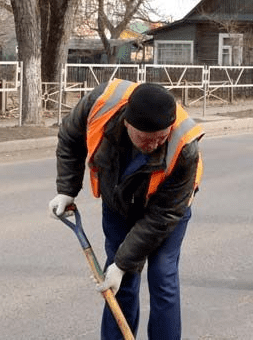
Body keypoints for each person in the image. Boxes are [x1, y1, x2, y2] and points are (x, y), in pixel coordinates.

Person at [49, 80, 204, 340]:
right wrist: (67, 188)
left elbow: (163, 216)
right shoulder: (100, 105)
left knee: (162, 276)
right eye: (146, 138)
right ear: (127, 123)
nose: (154, 145)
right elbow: (70, 137)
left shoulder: (185, 147)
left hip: (166, 210)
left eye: (161, 138)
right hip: (119, 200)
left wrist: (123, 263)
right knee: (120, 282)